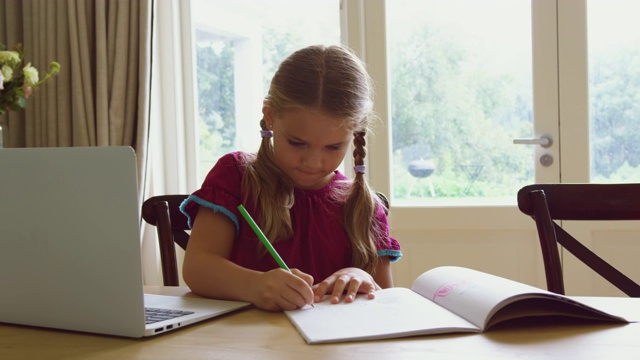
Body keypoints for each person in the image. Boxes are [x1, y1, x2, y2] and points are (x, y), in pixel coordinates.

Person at [180, 44, 402, 312]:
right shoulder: (237, 176)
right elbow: (197, 268)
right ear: (270, 116)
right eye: (297, 143)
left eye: (333, 147)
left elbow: (387, 304)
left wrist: (363, 279)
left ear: (355, 134)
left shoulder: (362, 206)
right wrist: (255, 285)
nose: (313, 162)